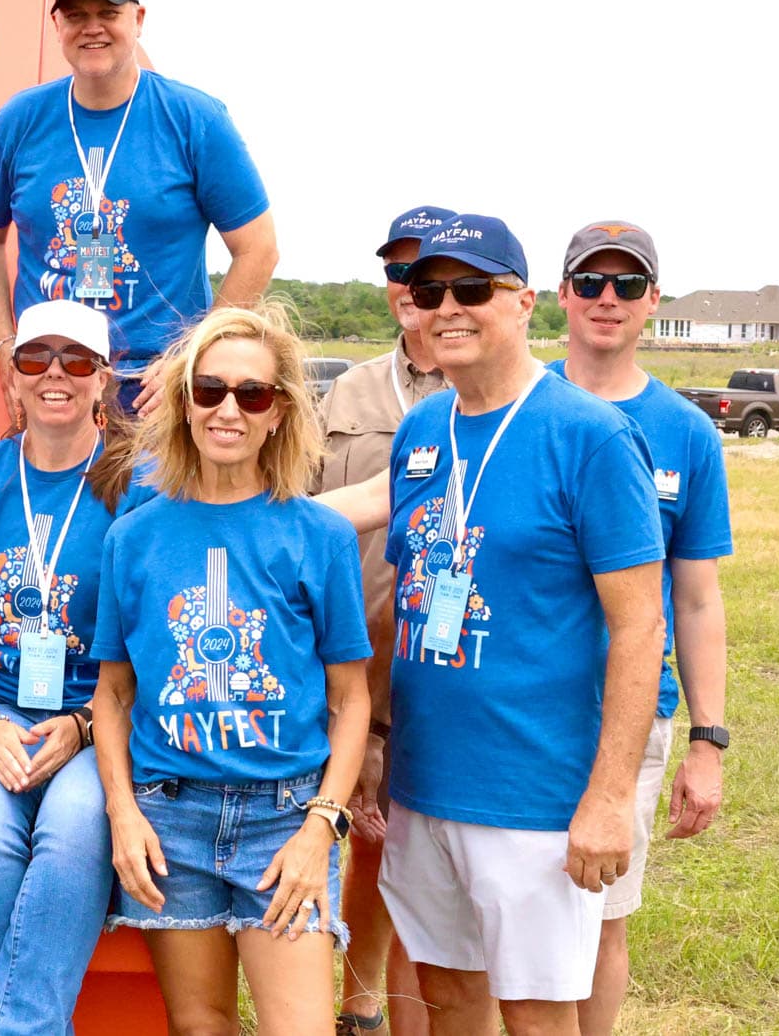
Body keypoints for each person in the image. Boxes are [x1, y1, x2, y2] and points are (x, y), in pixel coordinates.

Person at [379, 215, 665, 1036]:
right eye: (430, 291)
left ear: (526, 302)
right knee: (448, 997)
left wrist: (609, 798)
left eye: (474, 288)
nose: (448, 309)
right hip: (426, 780)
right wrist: (375, 741)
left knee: (538, 1014)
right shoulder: (422, 430)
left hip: (534, 793)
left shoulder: (592, 436)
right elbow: (408, 591)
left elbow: (641, 628)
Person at [93, 305, 373, 1036]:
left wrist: (322, 826)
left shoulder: (318, 534)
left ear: (278, 411)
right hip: (170, 814)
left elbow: (351, 698)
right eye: (210, 389)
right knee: (200, 1025)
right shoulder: (133, 537)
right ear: (184, 403)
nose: (229, 409)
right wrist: (124, 814)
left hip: (284, 818)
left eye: (252, 394)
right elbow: (115, 692)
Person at [0, 300, 132, 1035]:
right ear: (12, 376)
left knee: (74, 831)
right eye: (36, 358)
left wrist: (79, 726)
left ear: (104, 380)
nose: (55, 375)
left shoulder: (138, 484)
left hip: (97, 715)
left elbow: (144, 646)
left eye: (77, 361)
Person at [549, 221, 732, 1036]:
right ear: (561, 295)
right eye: (590, 282)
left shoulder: (686, 431)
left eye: (627, 285)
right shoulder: (512, 400)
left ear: (654, 301)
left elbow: (694, 599)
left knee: (600, 913)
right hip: (505, 706)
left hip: (627, 709)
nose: (607, 300)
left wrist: (708, 740)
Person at [0, 0, 276, 416]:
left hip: (154, 387)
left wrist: (192, 354)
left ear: (138, 19)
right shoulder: (21, 119)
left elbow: (259, 248)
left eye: (108, 13)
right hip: (51, 380)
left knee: (155, 493)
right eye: (76, 15)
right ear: (57, 25)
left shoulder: (194, 119)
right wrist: (6, 346)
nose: (92, 28)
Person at [313, 205, 456, 1036]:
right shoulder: (349, 390)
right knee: (365, 834)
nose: (417, 291)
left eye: (436, 277)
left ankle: (425, 1010)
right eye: (402, 273)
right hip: (361, 657)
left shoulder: (499, 389)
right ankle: (360, 1006)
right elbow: (308, 507)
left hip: (453, 660)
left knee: (431, 848)